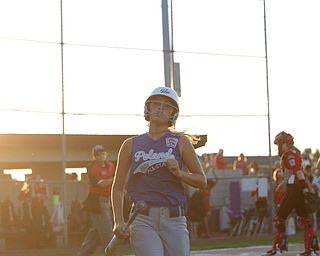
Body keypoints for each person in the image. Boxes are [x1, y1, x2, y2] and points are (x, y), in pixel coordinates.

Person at [111, 86, 207, 256]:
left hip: (174, 218)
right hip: (142, 218)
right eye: (156, 104)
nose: (161, 108)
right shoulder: (130, 144)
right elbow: (118, 187)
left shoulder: (181, 142)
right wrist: (118, 221)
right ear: (148, 108)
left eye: (167, 105)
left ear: (174, 113)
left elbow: (202, 181)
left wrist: (179, 173)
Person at [263, 131, 318, 256]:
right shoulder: (294, 154)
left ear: (284, 143)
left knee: (279, 219)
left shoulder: (290, 155)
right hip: (296, 189)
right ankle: (311, 251)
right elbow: (294, 174)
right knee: (305, 220)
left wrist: (305, 190)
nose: (278, 147)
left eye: (279, 144)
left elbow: (298, 173)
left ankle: (277, 249)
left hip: (294, 191)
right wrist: (284, 184)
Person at [78, 145, 115, 256]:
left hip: (107, 199)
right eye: (98, 154)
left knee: (96, 232)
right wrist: (115, 179)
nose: (101, 156)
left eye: (103, 153)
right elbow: (101, 184)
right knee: (107, 231)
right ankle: (111, 253)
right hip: (96, 201)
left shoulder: (111, 166)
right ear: (94, 156)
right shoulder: (92, 167)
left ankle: (84, 254)